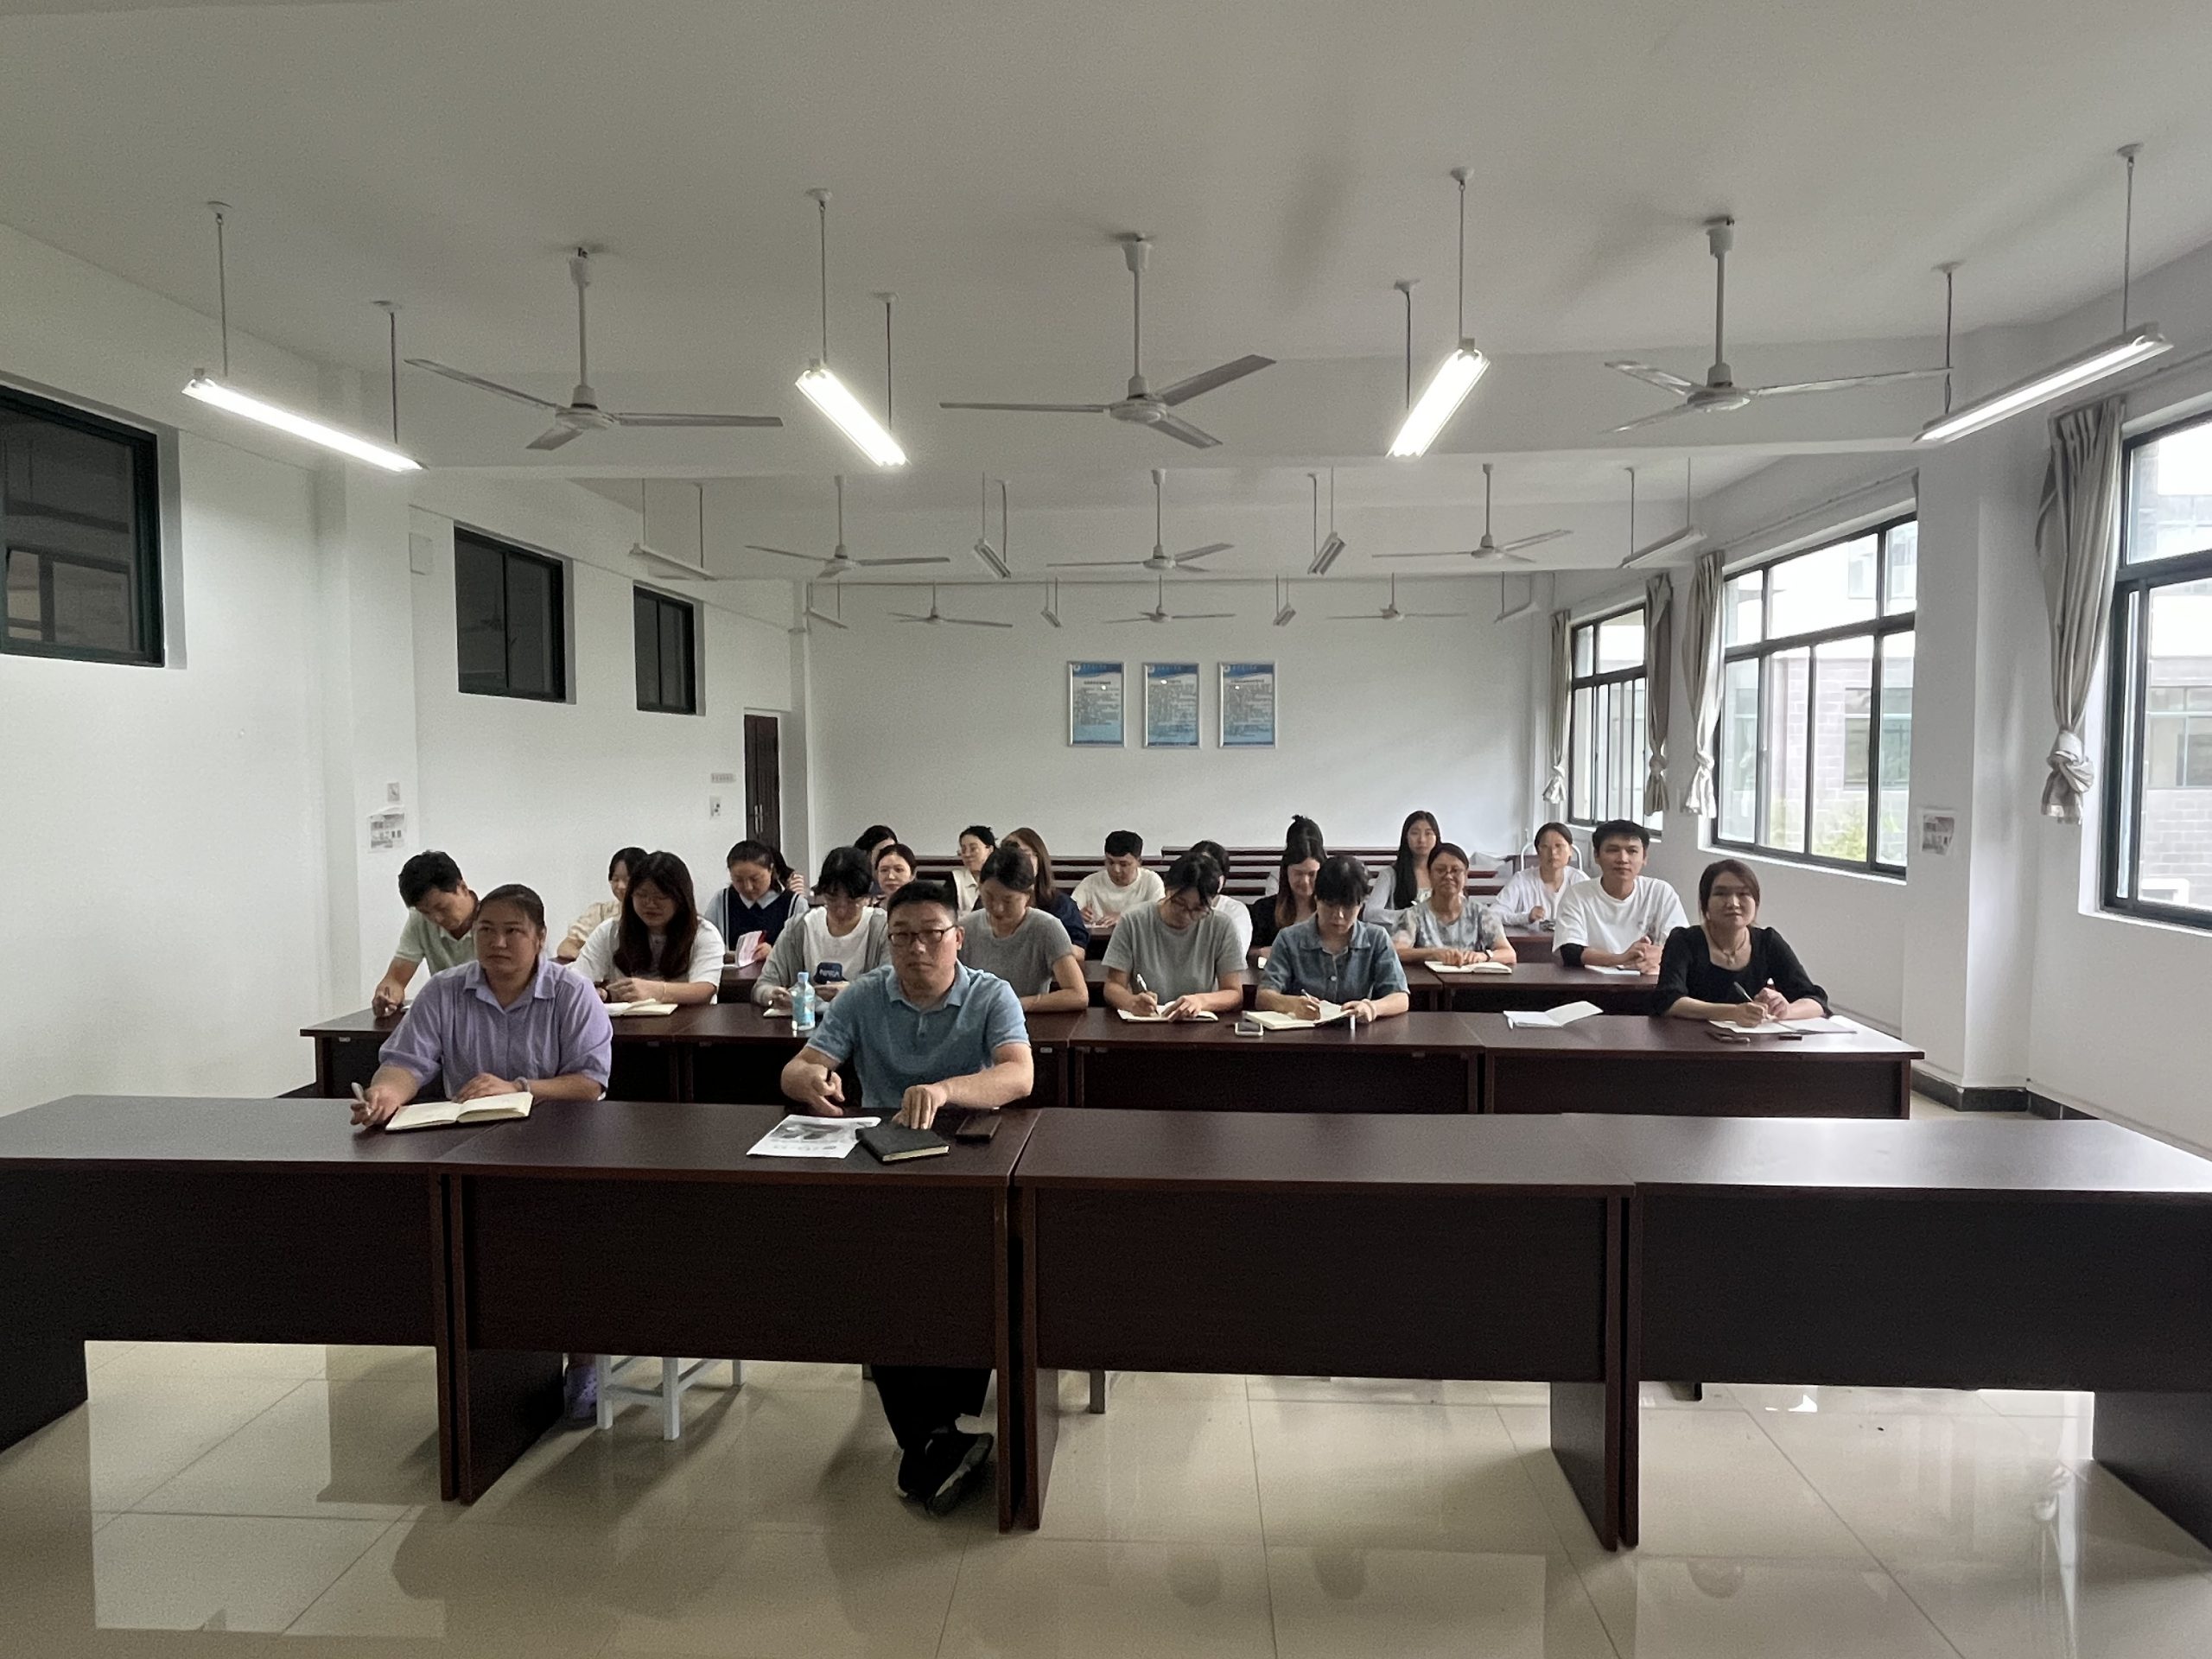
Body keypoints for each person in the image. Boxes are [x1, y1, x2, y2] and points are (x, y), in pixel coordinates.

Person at [778, 880, 1032, 1517]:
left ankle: (932, 1438)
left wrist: (945, 1090)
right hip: (885, 1163)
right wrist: (811, 1078)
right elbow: (797, 1067)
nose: (916, 948)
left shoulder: (990, 994)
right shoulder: (865, 995)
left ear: (957, 938)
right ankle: (934, 1440)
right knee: (882, 1281)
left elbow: (1019, 1073)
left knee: (970, 1274)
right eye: (902, 937)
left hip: (971, 1161)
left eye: (931, 935)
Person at [350, 882, 613, 1423]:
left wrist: (519, 1088)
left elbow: (589, 1082)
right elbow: (406, 1063)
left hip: (560, 1149)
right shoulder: (444, 991)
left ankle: (583, 1361)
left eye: (513, 931)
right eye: (486, 930)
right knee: (465, 1248)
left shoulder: (572, 993)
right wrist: (385, 1095)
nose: (497, 943)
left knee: (566, 1252)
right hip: (471, 1148)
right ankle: (491, 1368)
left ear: (540, 938)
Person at [1656, 859, 1832, 1026]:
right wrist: (1733, 1012)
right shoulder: (1684, 940)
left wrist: (1786, 1010)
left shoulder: (1768, 942)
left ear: (1756, 902)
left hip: (1750, 1042)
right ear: (1706, 904)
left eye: (1743, 894)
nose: (1733, 903)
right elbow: (1669, 1001)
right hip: (1690, 1041)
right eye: (1721, 893)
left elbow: (1816, 1001)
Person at [1259, 855, 1410, 1020]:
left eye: (1348, 907)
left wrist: (1372, 1007)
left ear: (1361, 904)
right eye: (1330, 905)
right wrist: (1291, 1004)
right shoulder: (1289, 939)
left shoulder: (1376, 938)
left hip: (1358, 1032)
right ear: (1316, 899)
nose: (1338, 916)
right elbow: (1264, 996)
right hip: (1303, 1032)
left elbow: (1401, 998)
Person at [1101, 851, 1246, 1020]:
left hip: (1198, 1023)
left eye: (1198, 909)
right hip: (1148, 1023)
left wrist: (1201, 1001)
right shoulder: (1134, 921)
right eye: (1179, 903)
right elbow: (1113, 986)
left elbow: (1234, 992)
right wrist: (1132, 1002)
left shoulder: (1221, 925)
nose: (1187, 915)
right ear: (1167, 889)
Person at [570, 850, 724, 1006]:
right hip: (625, 1020)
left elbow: (705, 989)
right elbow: (576, 981)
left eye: (660, 897)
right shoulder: (610, 931)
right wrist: (600, 993)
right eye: (642, 895)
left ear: (680, 898)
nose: (650, 904)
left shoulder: (703, 934)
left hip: (691, 1020)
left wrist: (656, 990)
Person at [959, 844, 1087, 1013]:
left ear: (1028, 894)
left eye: (1008, 901)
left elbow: (1078, 995)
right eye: (989, 896)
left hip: (1026, 1020)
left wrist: (1015, 1005)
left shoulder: (1047, 928)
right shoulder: (965, 927)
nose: (997, 908)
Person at [754, 846, 889, 1007]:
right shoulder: (799, 927)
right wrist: (773, 994)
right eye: (832, 899)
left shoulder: (883, 929)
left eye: (852, 901)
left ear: (868, 895)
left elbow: (892, 988)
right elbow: (762, 986)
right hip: (806, 1019)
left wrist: (853, 993)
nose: (841, 910)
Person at [1552, 819, 1688, 972]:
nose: (1623, 859)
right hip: (1594, 981)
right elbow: (1571, 952)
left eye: (1632, 851)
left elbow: (1682, 946)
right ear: (1596, 855)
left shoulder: (1660, 893)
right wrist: (1622, 959)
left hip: (1648, 981)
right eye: (1613, 850)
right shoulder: (1577, 895)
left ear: (1644, 857)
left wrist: (1659, 955)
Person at [372, 851, 480, 1016]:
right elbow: (396, 979)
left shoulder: (495, 920)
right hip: (446, 1018)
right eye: (426, 912)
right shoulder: (419, 920)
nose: (436, 918)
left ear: (462, 888)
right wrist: (387, 996)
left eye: (442, 907)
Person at [1394, 842, 1516, 966]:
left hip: (1472, 977)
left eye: (1455, 870)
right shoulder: (1414, 915)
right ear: (1429, 874)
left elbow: (1509, 954)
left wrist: (1483, 956)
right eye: (1440, 870)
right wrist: (1432, 953)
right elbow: (1397, 951)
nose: (1448, 876)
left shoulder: (1482, 914)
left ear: (1466, 875)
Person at [704, 838, 807, 961]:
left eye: (755, 879)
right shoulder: (721, 901)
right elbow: (705, 945)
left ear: (770, 870)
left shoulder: (795, 904)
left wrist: (775, 953)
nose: (748, 887)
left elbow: (805, 952)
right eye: (738, 880)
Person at [1005, 826, 1090, 951]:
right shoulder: (990, 901)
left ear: (1039, 858)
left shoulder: (1061, 904)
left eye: (1024, 854)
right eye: (1010, 855)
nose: (1018, 861)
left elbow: (1079, 951)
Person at [557, 847, 645, 965]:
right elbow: (566, 947)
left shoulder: (653, 915)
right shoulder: (601, 912)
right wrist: (592, 961)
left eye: (627, 880)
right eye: (615, 880)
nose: (620, 886)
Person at [1071, 830, 1165, 937]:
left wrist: (1124, 918)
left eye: (1124, 864)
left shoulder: (1151, 881)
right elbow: (1070, 910)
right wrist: (1078, 915)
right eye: (1110, 862)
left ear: (1139, 862)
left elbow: (1158, 916)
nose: (1116, 870)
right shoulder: (1091, 882)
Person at [1494, 822, 1588, 927]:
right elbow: (1494, 914)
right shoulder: (1521, 880)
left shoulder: (1580, 881)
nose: (1553, 852)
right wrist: (1526, 918)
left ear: (1570, 850)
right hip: (1531, 938)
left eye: (1559, 846)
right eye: (1545, 847)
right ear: (1538, 851)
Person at [1249, 831, 1324, 951]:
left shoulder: (1334, 910)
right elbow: (1247, 951)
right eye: (1298, 873)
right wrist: (1261, 953)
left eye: (1312, 874)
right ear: (1286, 872)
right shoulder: (1264, 909)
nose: (1305, 881)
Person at [1188, 839, 1255, 956]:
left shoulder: (1235, 911)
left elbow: (1234, 955)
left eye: (1208, 871)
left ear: (1221, 880)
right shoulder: (1177, 906)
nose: (1200, 876)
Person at [1375, 810, 1441, 919]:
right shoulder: (1390, 874)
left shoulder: (1445, 873)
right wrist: (1411, 915)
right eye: (1415, 833)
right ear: (1406, 837)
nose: (1422, 839)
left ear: (1436, 837)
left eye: (1428, 833)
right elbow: (1371, 913)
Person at [951, 823, 995, 913]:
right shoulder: (955, 879)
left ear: (990, 850)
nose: (967, 854)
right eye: (963, 850)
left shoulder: (1001, 878)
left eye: (973, 849)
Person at [872, 841, 918, 906]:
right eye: (884, 870)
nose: (891, 876)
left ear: (912, 874)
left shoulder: (923, 908)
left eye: (899, 870)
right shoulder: (868, 909)